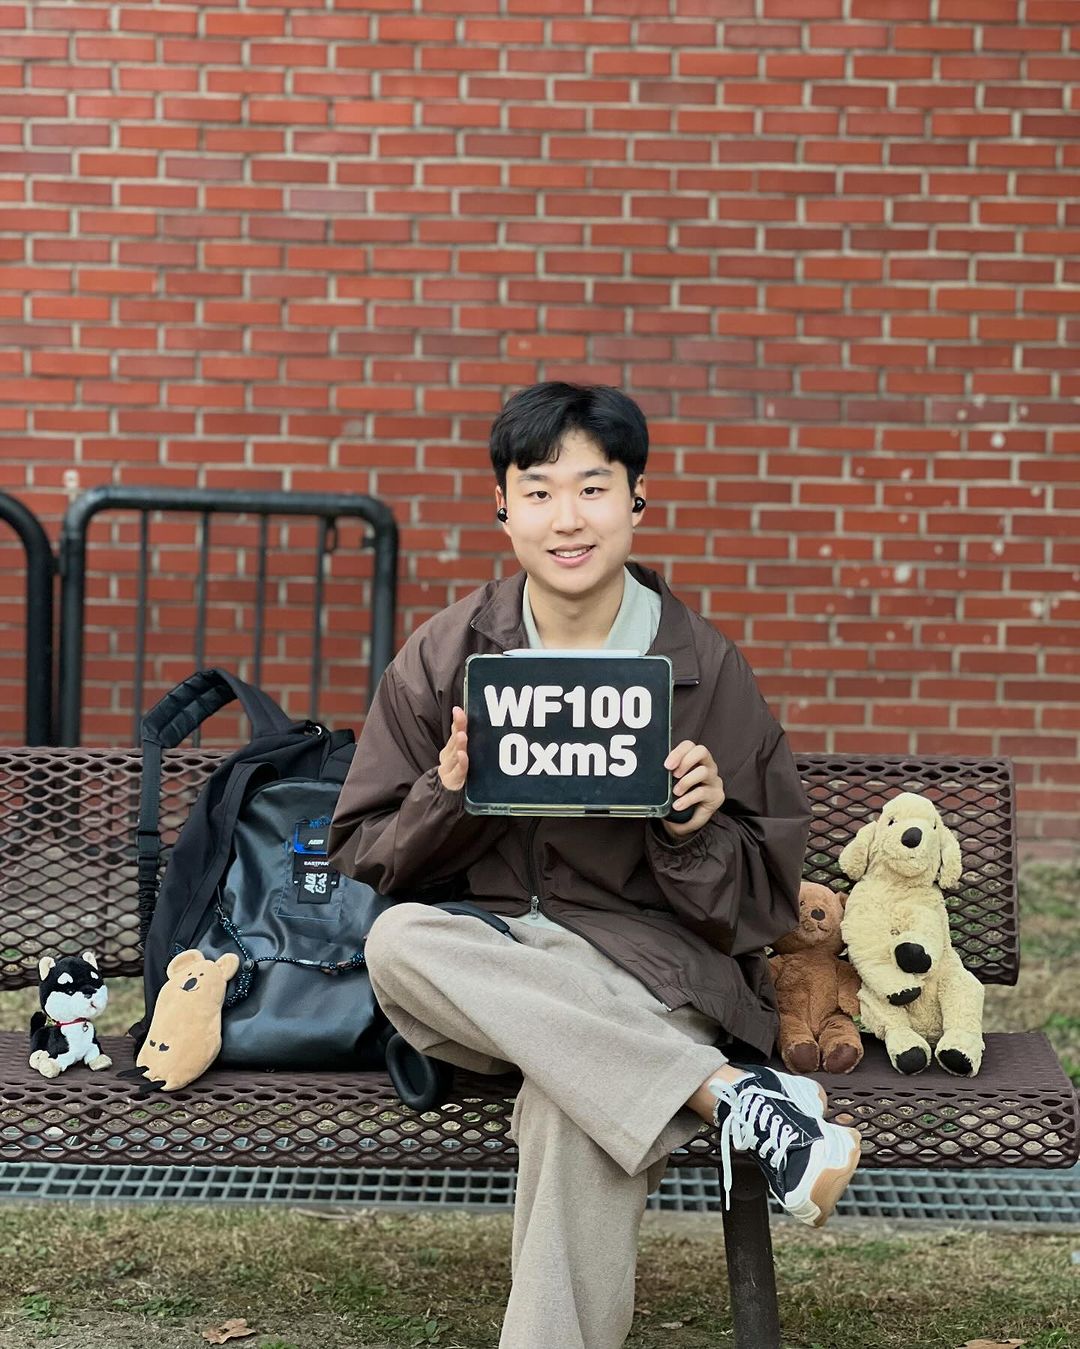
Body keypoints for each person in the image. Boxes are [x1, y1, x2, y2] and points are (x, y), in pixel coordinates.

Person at [327, 382, 861, 1349]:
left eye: (592, 487)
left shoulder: (702, 667)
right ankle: (728, 1094)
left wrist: (695, 829)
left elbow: (764, 903)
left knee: (569, 1103)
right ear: (501, 507)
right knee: (398, 940)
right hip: (491, 972)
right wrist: (449, 791)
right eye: (538, 491)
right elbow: (365, 852)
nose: (566, 518)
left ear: (636, 498)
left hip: (646, 973)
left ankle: (705, 1092)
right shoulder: (447, 653)